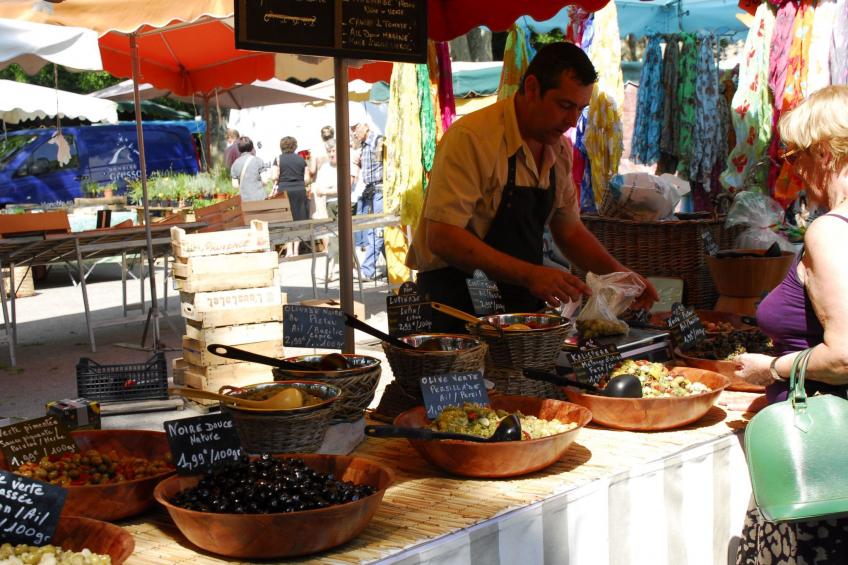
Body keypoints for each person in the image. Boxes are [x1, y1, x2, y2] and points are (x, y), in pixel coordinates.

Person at [406, 42, 657, 332]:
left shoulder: (559, 151)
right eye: (564, 106)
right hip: (454, 307)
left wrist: (622, 275)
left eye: (580, 109)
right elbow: (443, 237)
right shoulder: (473, 139)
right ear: (533, 87)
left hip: (517, 309)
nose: (573, 121)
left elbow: (570, 230)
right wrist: (531, 274)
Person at [733, 85, 848, 564]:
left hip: (823, 469)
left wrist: (773, 369)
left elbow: (842, 355)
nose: (794, 172)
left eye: (797, 157)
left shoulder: (831, 231)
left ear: (825, 151)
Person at [351, 120, 385, 281]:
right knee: (377, 230)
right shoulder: (364, 146)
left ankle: (367, 270)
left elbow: (387, 164)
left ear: (365, 126)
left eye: (355, 128)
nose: (353, 133)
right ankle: (391, 267)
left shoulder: (378, 140)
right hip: (371, 190)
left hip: (379, 189)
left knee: (375, 230)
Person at [271, 136, 310, 221]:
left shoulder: (278, 159)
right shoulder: (301, 159)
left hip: (284, 191)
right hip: (299, 190)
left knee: (286, 217)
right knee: (301, 216)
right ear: (295, 146)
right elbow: (307, 179)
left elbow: (274, 177)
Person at [230, 136, 265, 202]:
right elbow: (265, 180)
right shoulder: (258, 161)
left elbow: (235, 185)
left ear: (239, 149)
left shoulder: (235, 164)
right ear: (251, 147)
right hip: (260, 199)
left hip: (245, 200)